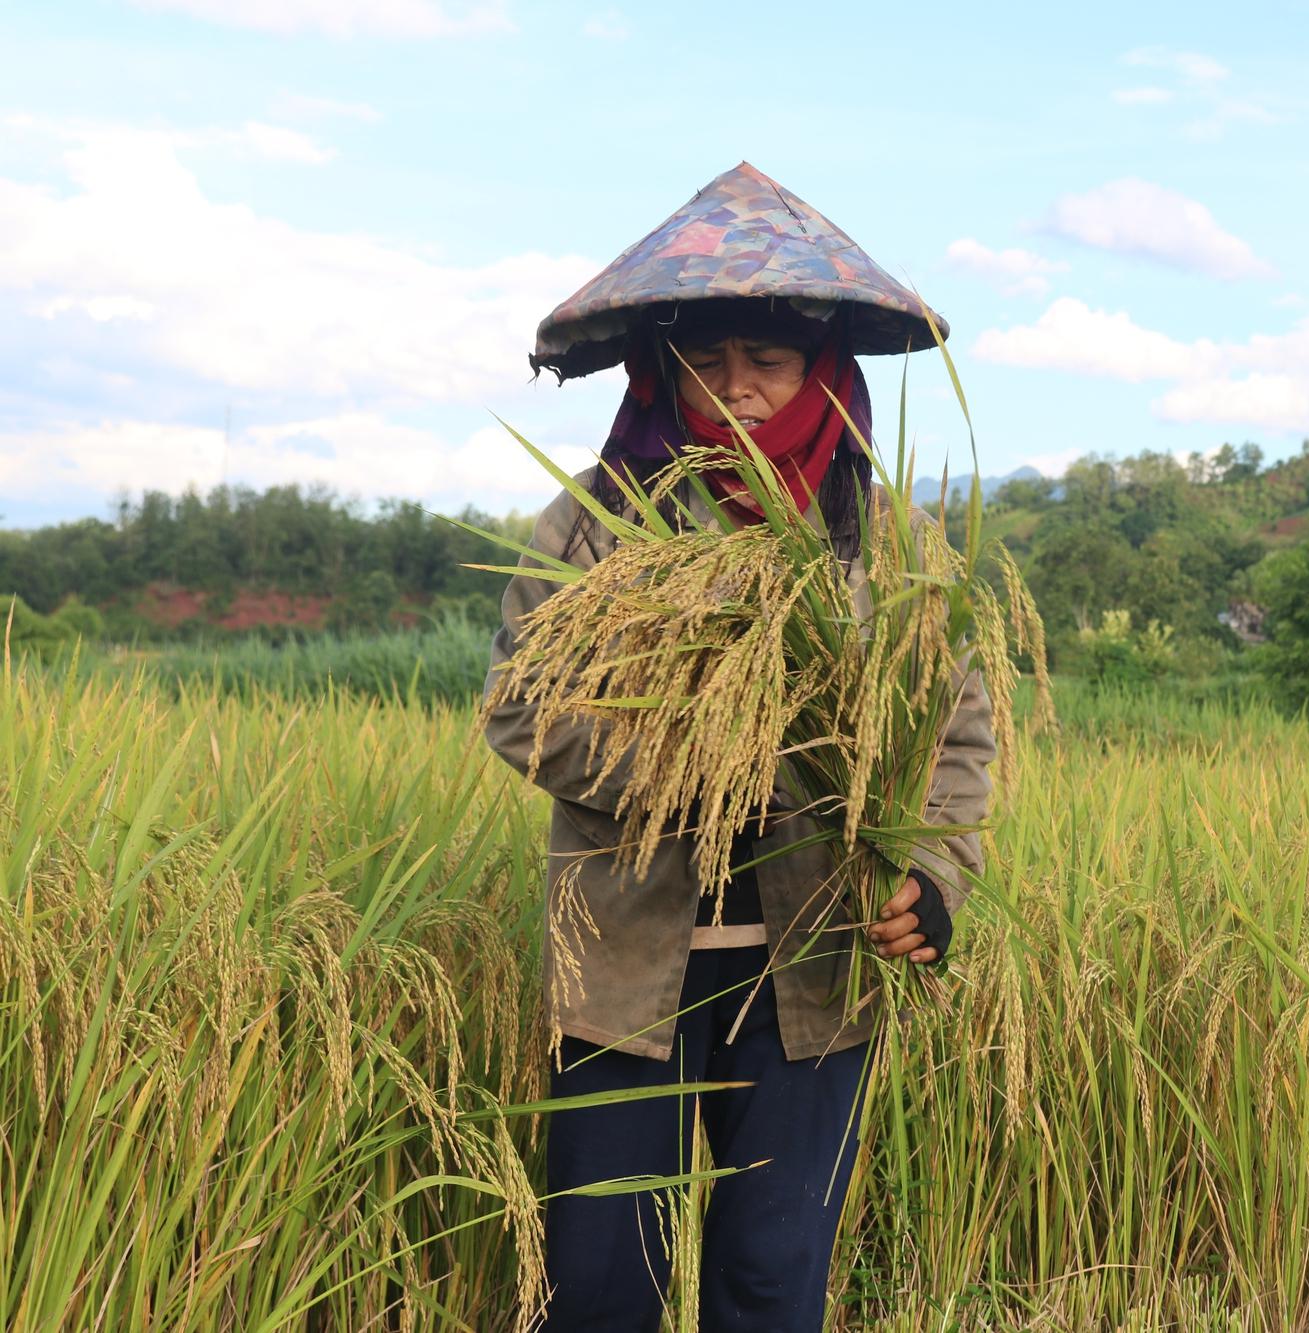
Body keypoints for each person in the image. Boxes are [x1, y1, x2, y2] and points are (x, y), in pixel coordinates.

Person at [482, 163, 997, 1332]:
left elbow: (959, 730)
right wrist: (698, 777)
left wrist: (935, 878)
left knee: (770, 1281)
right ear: (662, 370)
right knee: (606, 1283)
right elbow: (519, 707)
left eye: (766, 362)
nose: (739, 391)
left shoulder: (889, 544)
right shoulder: (592, 527)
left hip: (815, 968)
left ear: (820, 368)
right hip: (625, 970)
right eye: (707, 364)